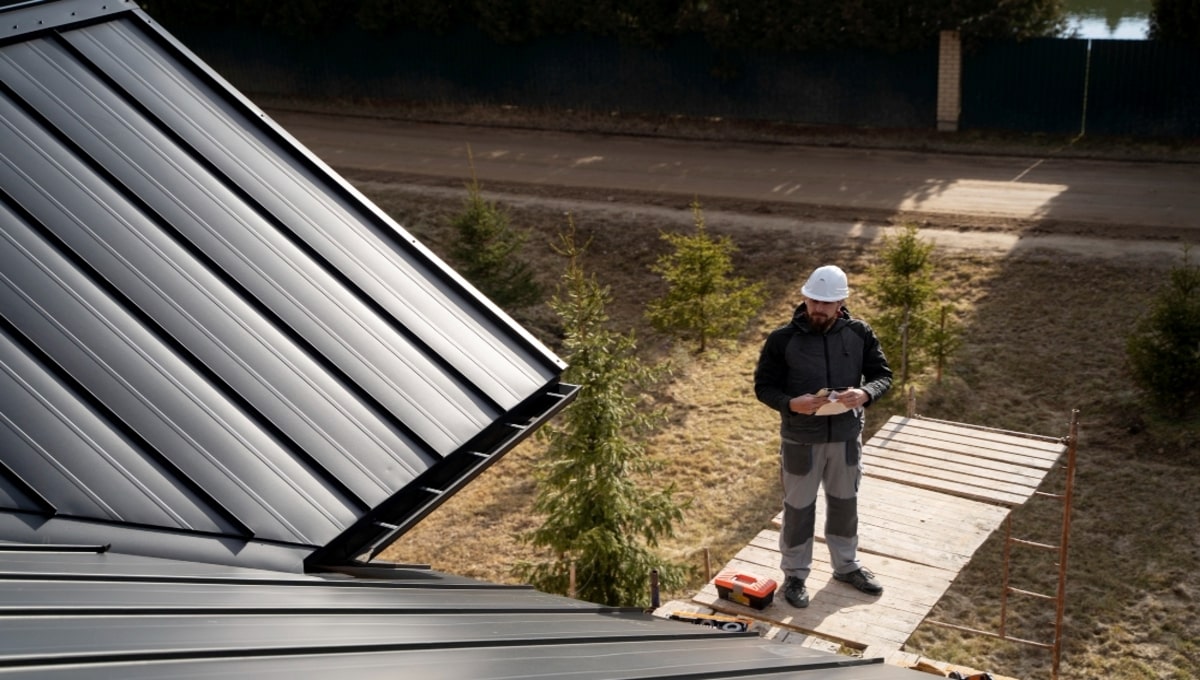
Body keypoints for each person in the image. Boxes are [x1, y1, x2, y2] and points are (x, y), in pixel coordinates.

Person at [753, 264, 893, 609]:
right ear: (804, 297)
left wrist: (865, 393)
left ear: (841, 303)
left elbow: (881, 375)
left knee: (845, 505)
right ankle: (796, 574)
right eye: (813, 300)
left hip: (846, 438)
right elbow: (763, 387)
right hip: (801, 440)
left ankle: (846, 566)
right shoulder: (781, 339)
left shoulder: (860, 333)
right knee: (799, 509)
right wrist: (790, 403)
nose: (817, 308)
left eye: (825, 303)